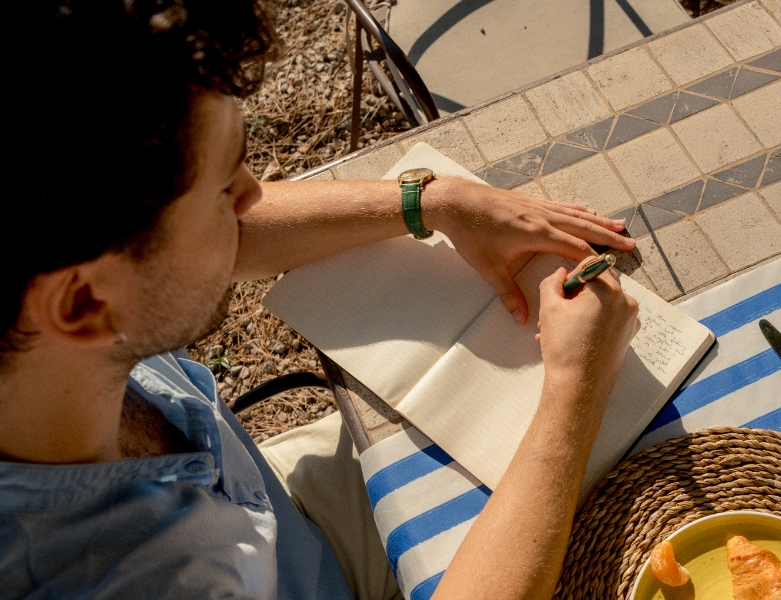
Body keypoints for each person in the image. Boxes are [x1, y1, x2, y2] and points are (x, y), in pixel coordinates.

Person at [0, 1, 640, 598]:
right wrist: (573, 392)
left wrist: (434, 201)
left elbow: (217, 238)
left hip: (279, 509)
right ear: (83, 304)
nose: (257, 194)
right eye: (225, 190)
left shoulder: (46, 304)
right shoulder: (133, 578)